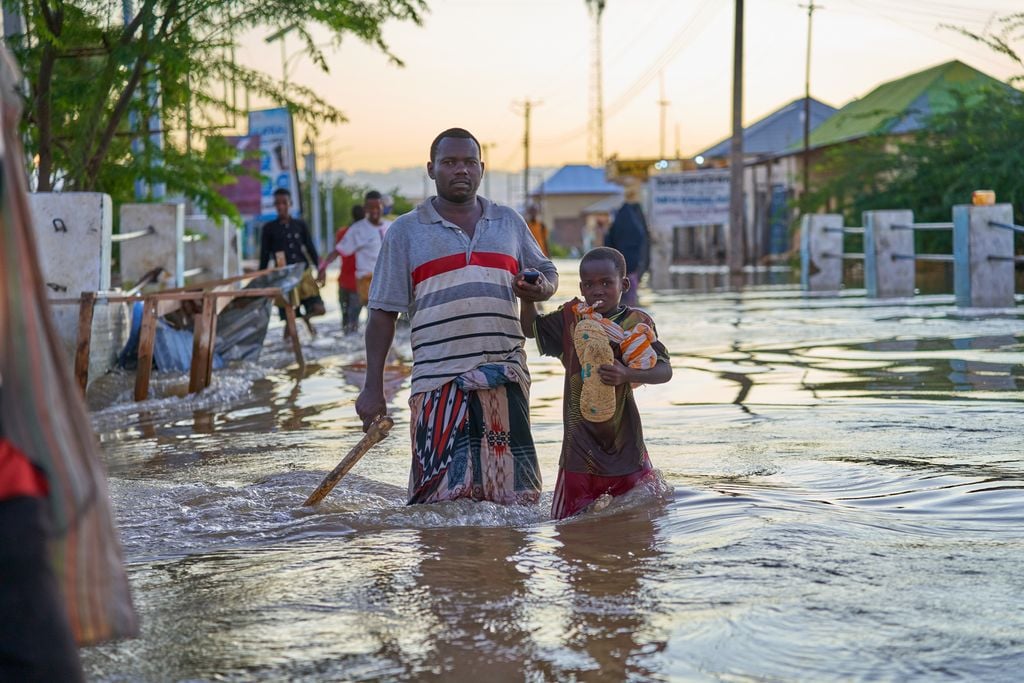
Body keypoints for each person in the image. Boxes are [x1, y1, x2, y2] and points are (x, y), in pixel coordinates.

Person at [355, 127, 558, 505]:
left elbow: (547, 274)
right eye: (449, 162)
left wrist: (538, 289)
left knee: (515, 505)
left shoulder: (509, 222)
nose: (460, 170)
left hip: (506, 377)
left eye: (469, 162)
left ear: (482, 168)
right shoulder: (405, 232)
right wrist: (373, 386)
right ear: (432, 169)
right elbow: (382, 315)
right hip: (437, 384)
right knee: (440, 507)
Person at [520, 247, 672, 519]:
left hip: (624, 440)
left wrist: (628, 374)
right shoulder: (571, 318)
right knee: (569, 527)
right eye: (589, 285)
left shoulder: (636, 324)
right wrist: (527, 299)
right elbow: (530, 330)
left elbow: (664, 370)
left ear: (624, 284)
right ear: (581, 287)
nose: (597, 290)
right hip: (578, 444)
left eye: (606, 283)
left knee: (640, 521)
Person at [318, 191, 389, 332]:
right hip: (363, 282)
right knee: (353, 323)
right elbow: (338, 250)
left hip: (384, 281)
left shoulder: (391, 226)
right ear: (365, 209)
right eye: (371, 208)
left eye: (377, 207)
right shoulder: (357, 229)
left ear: (382, 207)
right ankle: (353, 348)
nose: (374, 211)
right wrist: (323, 268)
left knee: (381, 322)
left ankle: (376, 351)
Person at [258, 187, 325, 329]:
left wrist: (321, 268)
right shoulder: (269, 228)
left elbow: (311, 248)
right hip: (284, 278)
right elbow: (264, 257)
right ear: (275, 206)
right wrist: (261, 280)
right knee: (290, 320)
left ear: (290, 203)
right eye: (277, 203)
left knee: (319, 309)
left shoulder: (300, 225)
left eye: (284, 202)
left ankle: (306, 318)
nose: (281, 206)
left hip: (304, 274)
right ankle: (289, 346)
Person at [319, 204, 364, 334]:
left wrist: (323, 268)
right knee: (354, 319)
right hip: (358, 284)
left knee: (345, 319)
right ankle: (353, 348)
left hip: (343, 282)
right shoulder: (364, 235)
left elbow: (335, 252)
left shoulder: (342, 233)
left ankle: (347, 343)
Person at [603, 182, 650, 306]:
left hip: (619, 262)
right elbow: (642, 238)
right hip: (631, 262)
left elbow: (609, 239)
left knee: (622, 293)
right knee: (630, 294)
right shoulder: (634, 220)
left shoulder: (620, 219)